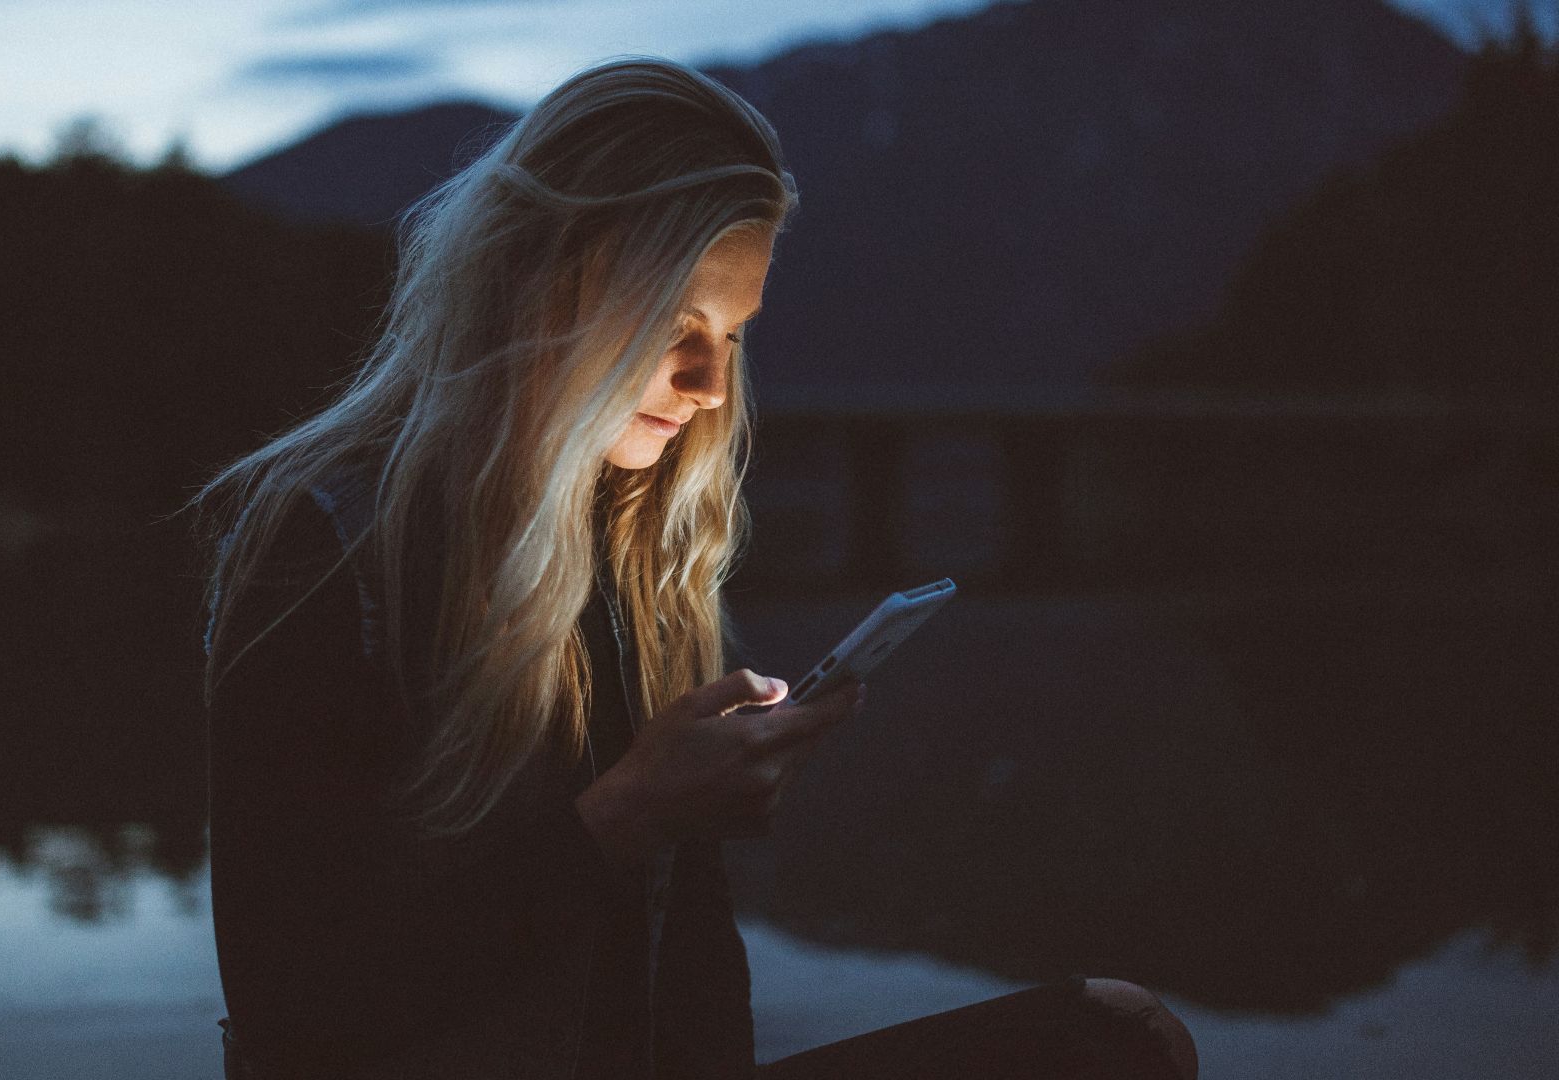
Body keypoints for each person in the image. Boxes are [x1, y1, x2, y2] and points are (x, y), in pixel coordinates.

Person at [188, 55, 1198, 1080]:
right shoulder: (325, 544)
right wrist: (628, 816)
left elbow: (693, 960)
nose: (712, 386)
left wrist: (683, 812)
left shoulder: (629, 542)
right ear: (541, 281)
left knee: (1117, 1037)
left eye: (731, 334)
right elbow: (293, 1009)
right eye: (678, 327)